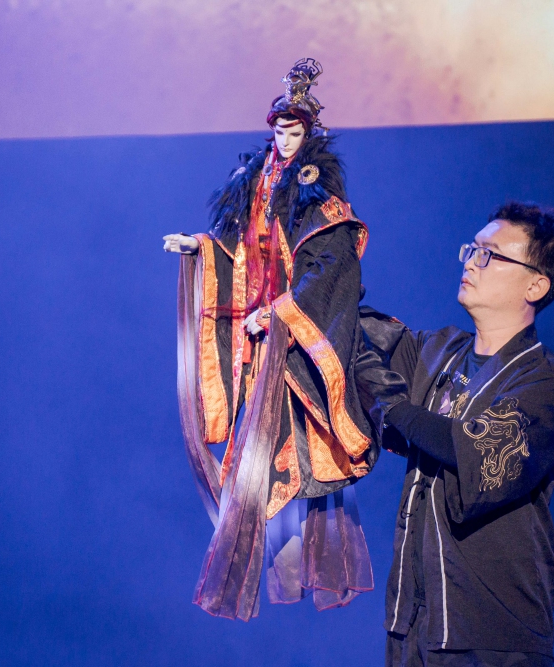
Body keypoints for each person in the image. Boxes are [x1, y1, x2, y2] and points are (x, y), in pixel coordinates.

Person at [163, 58, 376, 621]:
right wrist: (200, 247)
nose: (284, 140)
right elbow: (238, 248)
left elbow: (328, 260)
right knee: (253, 457)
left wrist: (282, 311)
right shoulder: (255, 179)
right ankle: (266, 556)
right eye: (279, 130)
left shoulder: (315, 188)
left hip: (290, 332)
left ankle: (299, 562)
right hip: (256, 337)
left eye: (294, 132)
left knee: (296, 451)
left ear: (309, 135)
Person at [357, 201, 554, 666]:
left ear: (536, 285)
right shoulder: (440, 351)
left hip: (490, 640)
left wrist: (391, 404)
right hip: (412, 626)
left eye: (490, 254)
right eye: (472, 250)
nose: (472, 263)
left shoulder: (545, 384)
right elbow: (350, 330)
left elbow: (473, 451)